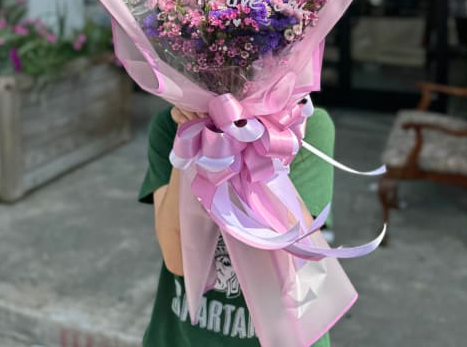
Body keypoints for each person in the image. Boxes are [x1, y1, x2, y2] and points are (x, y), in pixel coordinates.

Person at [138, 104, 336, 347]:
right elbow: (178, 259)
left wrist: (252, 137)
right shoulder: (171, 126)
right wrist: (192, 143)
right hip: (184, 336)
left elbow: (294, 259)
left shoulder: (302, 124)